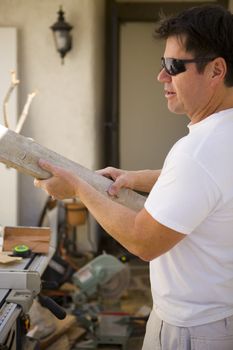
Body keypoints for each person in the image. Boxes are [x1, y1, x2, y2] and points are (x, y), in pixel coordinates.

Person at [34, 4, 233, 349]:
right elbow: (210, 186)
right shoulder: (222, 137)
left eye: (174, 66)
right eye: (162, 65)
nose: (162, 77)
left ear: (216, 70)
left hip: (192, 331)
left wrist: (79, 188)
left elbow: (144, 242)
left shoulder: (197, 152)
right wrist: (135, 178)